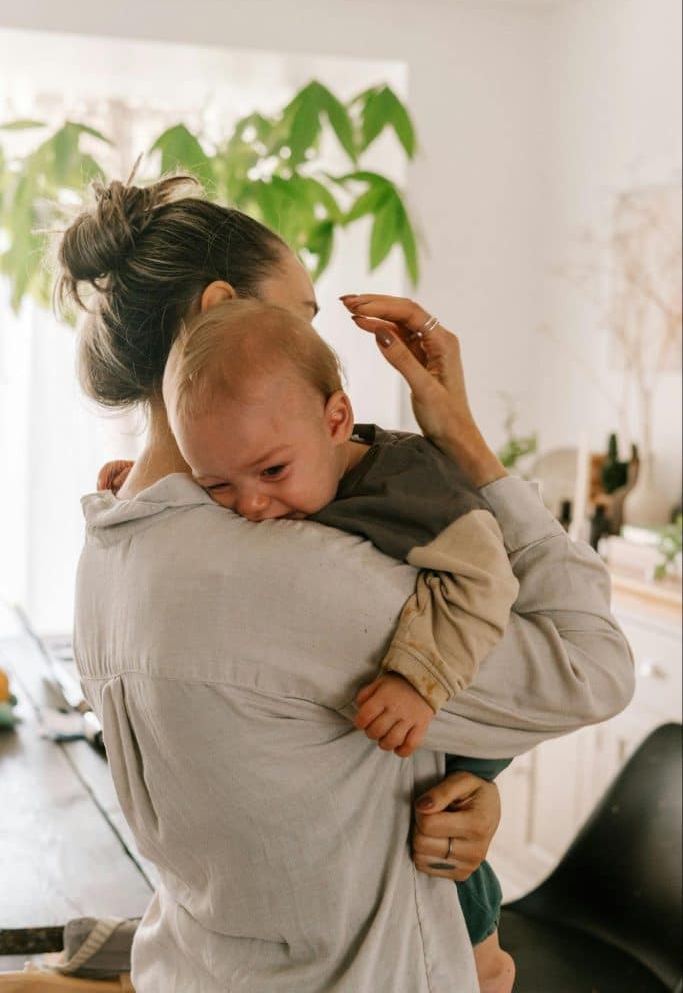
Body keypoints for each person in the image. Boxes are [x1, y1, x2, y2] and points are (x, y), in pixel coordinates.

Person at [58, 174, 634, 993]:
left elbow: (285, 772)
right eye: (299, 321)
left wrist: (455, 781)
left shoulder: (107, 547)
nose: (317, 356)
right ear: (216, 310)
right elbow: (593, 666)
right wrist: (470, 447)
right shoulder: (279, 573)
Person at [161, 298, 520, 989]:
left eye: (271, 473)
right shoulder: (280, 464)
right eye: (217, 485)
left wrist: (419, 678)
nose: (252, 505)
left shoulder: (413, 489)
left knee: (464, 916)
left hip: (466, 712)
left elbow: (487, 582)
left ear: (336, 420)